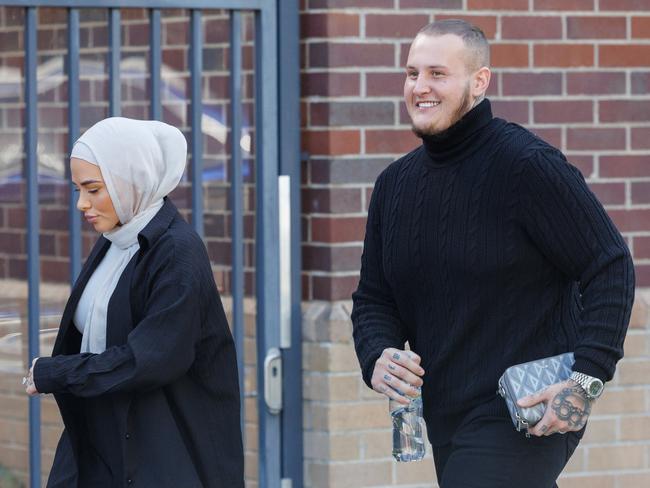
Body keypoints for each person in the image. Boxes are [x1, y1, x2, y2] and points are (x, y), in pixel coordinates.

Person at [351, 19, 635, 488]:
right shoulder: (394, 186)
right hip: (446, 413)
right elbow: (374, 299)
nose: (419, 87)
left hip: (524, 406)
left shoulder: (526, 166)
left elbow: (610, 265)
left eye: (437, 74)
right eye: (411, 73)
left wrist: (586, 381)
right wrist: (377, 354)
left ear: (479, 81)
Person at [22, 117, 244, 487]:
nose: (81, 204)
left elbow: (150, 359)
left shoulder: (176, 253)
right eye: (78, 189)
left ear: (131, 181)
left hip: (162, 458)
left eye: (93, 189)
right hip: (101, 448)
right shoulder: (116, 240)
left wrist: (58, 372)